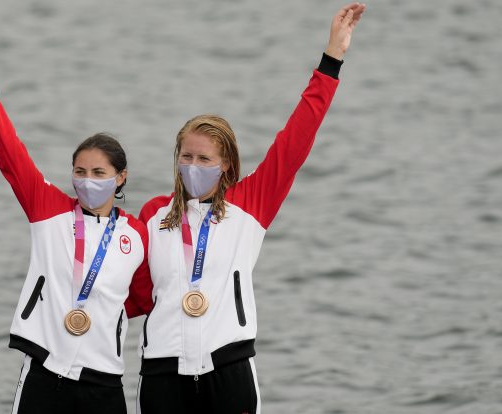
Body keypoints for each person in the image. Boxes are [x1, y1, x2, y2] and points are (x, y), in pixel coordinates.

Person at [134, 3, 366, 413]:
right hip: (162, 372)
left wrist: (332, 59)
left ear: (226, 164)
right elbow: (126, 291)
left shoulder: (249, 204)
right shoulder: (153, 215)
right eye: (186, 157)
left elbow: (297, 137)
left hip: (229, 366)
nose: (193, 167)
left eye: (204, 160)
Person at [0, 17, 152, 414]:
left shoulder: (137, 235)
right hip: (44, 372)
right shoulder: (48, 209)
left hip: (104, 381)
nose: (87, 181)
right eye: (80, 172)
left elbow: (142, 298)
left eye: (99, 173)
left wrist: (96, 312)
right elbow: (7, 146)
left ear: (121, 177)